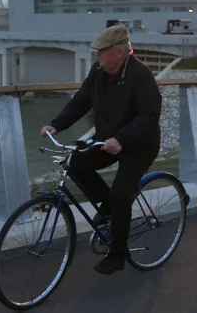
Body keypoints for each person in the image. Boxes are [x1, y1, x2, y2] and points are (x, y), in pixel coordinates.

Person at [40, 24, 162, 275]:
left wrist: (122, 139)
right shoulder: (98, 72)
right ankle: (107, 209)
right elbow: (81, 101)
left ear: (119, 52)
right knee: (75, 164)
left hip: (139, 144)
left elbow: (150, 115)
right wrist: (56, 126)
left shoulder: (141, 75)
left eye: (102, 51)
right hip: (107, 140)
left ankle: (117, 254)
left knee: (121, 195)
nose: (98, 55)